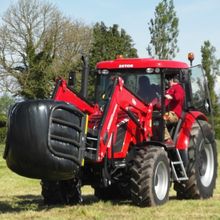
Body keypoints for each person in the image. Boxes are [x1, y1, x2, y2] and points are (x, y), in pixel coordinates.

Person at [164, 75, 185, 146]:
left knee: (160, 120)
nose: (167, 82)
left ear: (172, 80)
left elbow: (178, 97)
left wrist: (170, 97)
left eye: (169, 80)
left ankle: (168, 140)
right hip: (167, 113)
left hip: (174, 114)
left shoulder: (178, 87)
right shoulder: (169, 89)